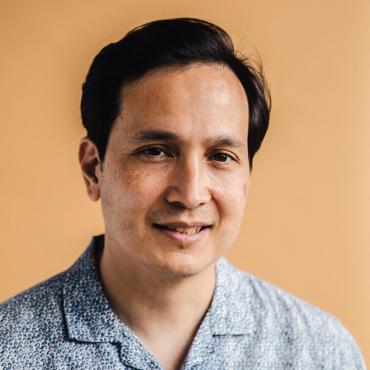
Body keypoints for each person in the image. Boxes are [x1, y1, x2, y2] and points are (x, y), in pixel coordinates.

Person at [0, 17, 366, 370]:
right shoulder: (10, 348)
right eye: (156, 151)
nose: (190, 194)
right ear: (93, 167)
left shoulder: (320, 351)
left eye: (221, 157)